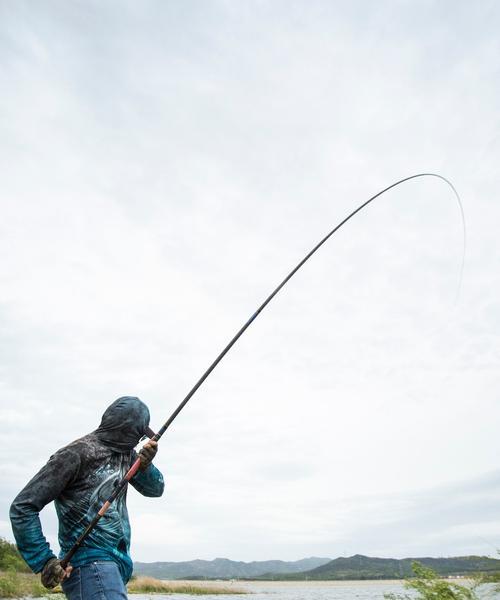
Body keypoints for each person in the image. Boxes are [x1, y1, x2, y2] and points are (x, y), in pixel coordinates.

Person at [10, 396, 164, 599]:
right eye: (139, 435)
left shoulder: (128, 456)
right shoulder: (75, 454)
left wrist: (146, 466)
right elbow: (23, 507)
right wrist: (44, 561)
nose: (138, 441)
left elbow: (156, 489)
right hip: (89, 564)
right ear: (130, 431)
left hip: (117, 564)